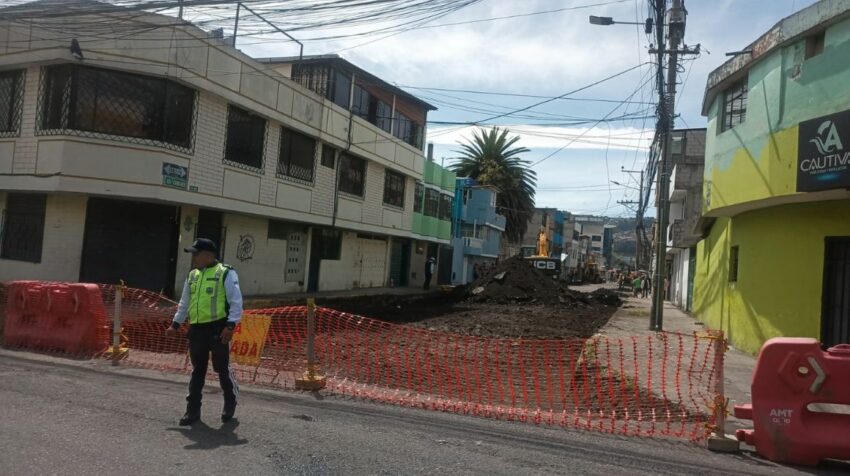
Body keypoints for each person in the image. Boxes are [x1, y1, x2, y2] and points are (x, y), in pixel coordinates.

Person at [165, 238, 243, 426]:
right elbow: (184, 303)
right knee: (197, 370)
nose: (193, 258)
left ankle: (230, 402)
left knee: (221, 369)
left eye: (196, 254)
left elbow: (236, 302)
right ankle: (192, 411)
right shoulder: (192, 275)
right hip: (197, 330)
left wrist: (230, 326)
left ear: (208, 256)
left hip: (218, 329)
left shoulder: (225, 273)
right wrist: (175, 324)